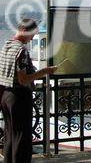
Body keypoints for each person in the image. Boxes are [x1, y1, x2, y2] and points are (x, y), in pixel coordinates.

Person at [0, 19, 57, 163]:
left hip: (6, 96)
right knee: (22, 137)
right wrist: (45, 71)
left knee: (10, 134)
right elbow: (23, 80)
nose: (32, 38)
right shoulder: (21, 50)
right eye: (33, 34)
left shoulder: (6, 46)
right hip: (19, 97)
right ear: (25, 31)